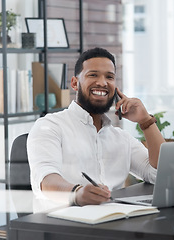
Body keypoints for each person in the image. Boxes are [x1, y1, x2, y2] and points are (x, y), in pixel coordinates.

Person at [27, 47, 165, 206]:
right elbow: (45, 180)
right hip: (63, 223)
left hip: (111, 220)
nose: (102, 82)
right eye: (93, 75)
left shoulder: (121, 138)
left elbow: (158, 175)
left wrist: (146, 121)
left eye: (110, 77)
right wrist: (76, 193)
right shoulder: (50, 126)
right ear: (75, 83)